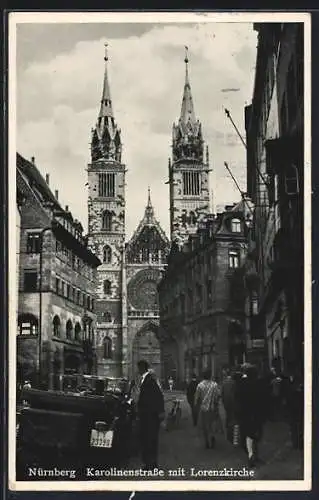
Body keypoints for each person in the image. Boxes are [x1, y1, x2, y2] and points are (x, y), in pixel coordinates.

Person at [137, 360, 165, 469]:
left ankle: (150, 465)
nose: (138, 370)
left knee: (149, 441)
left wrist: (159, 412)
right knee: (150, 441)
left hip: (150, 417)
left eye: (139, 368)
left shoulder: (149, 380)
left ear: (142, 368)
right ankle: (151, 464)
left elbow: (158, 397)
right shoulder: (147, 380)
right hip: (149, 416)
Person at [237, 364, 265, 468]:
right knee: (255, 435)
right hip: (255, 414)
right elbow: (262, 400)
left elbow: (238, 399)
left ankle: (251, 455)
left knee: (248, 435)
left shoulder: (242, 384)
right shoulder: (258, 384)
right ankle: (253, 456)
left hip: (245, 414)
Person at [194, 369, 221, 449]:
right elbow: (218, 395)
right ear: (210, 376)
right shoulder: (214, 385)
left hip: (203, 408)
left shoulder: (200, 385)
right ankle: (212, 436)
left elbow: (196, 397)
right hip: (212, 408)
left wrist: (196, 405)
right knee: (212, 424)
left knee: (204, 425)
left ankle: (206, 441)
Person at [221, 369, 236, 442]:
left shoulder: (224, 383)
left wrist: (223, 402)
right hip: (233, 403)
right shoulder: (234, 382)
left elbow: (222, 394)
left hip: (226, 403)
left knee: (228, 416)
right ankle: (232, 436)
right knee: (233, 418)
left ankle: (229, 434)